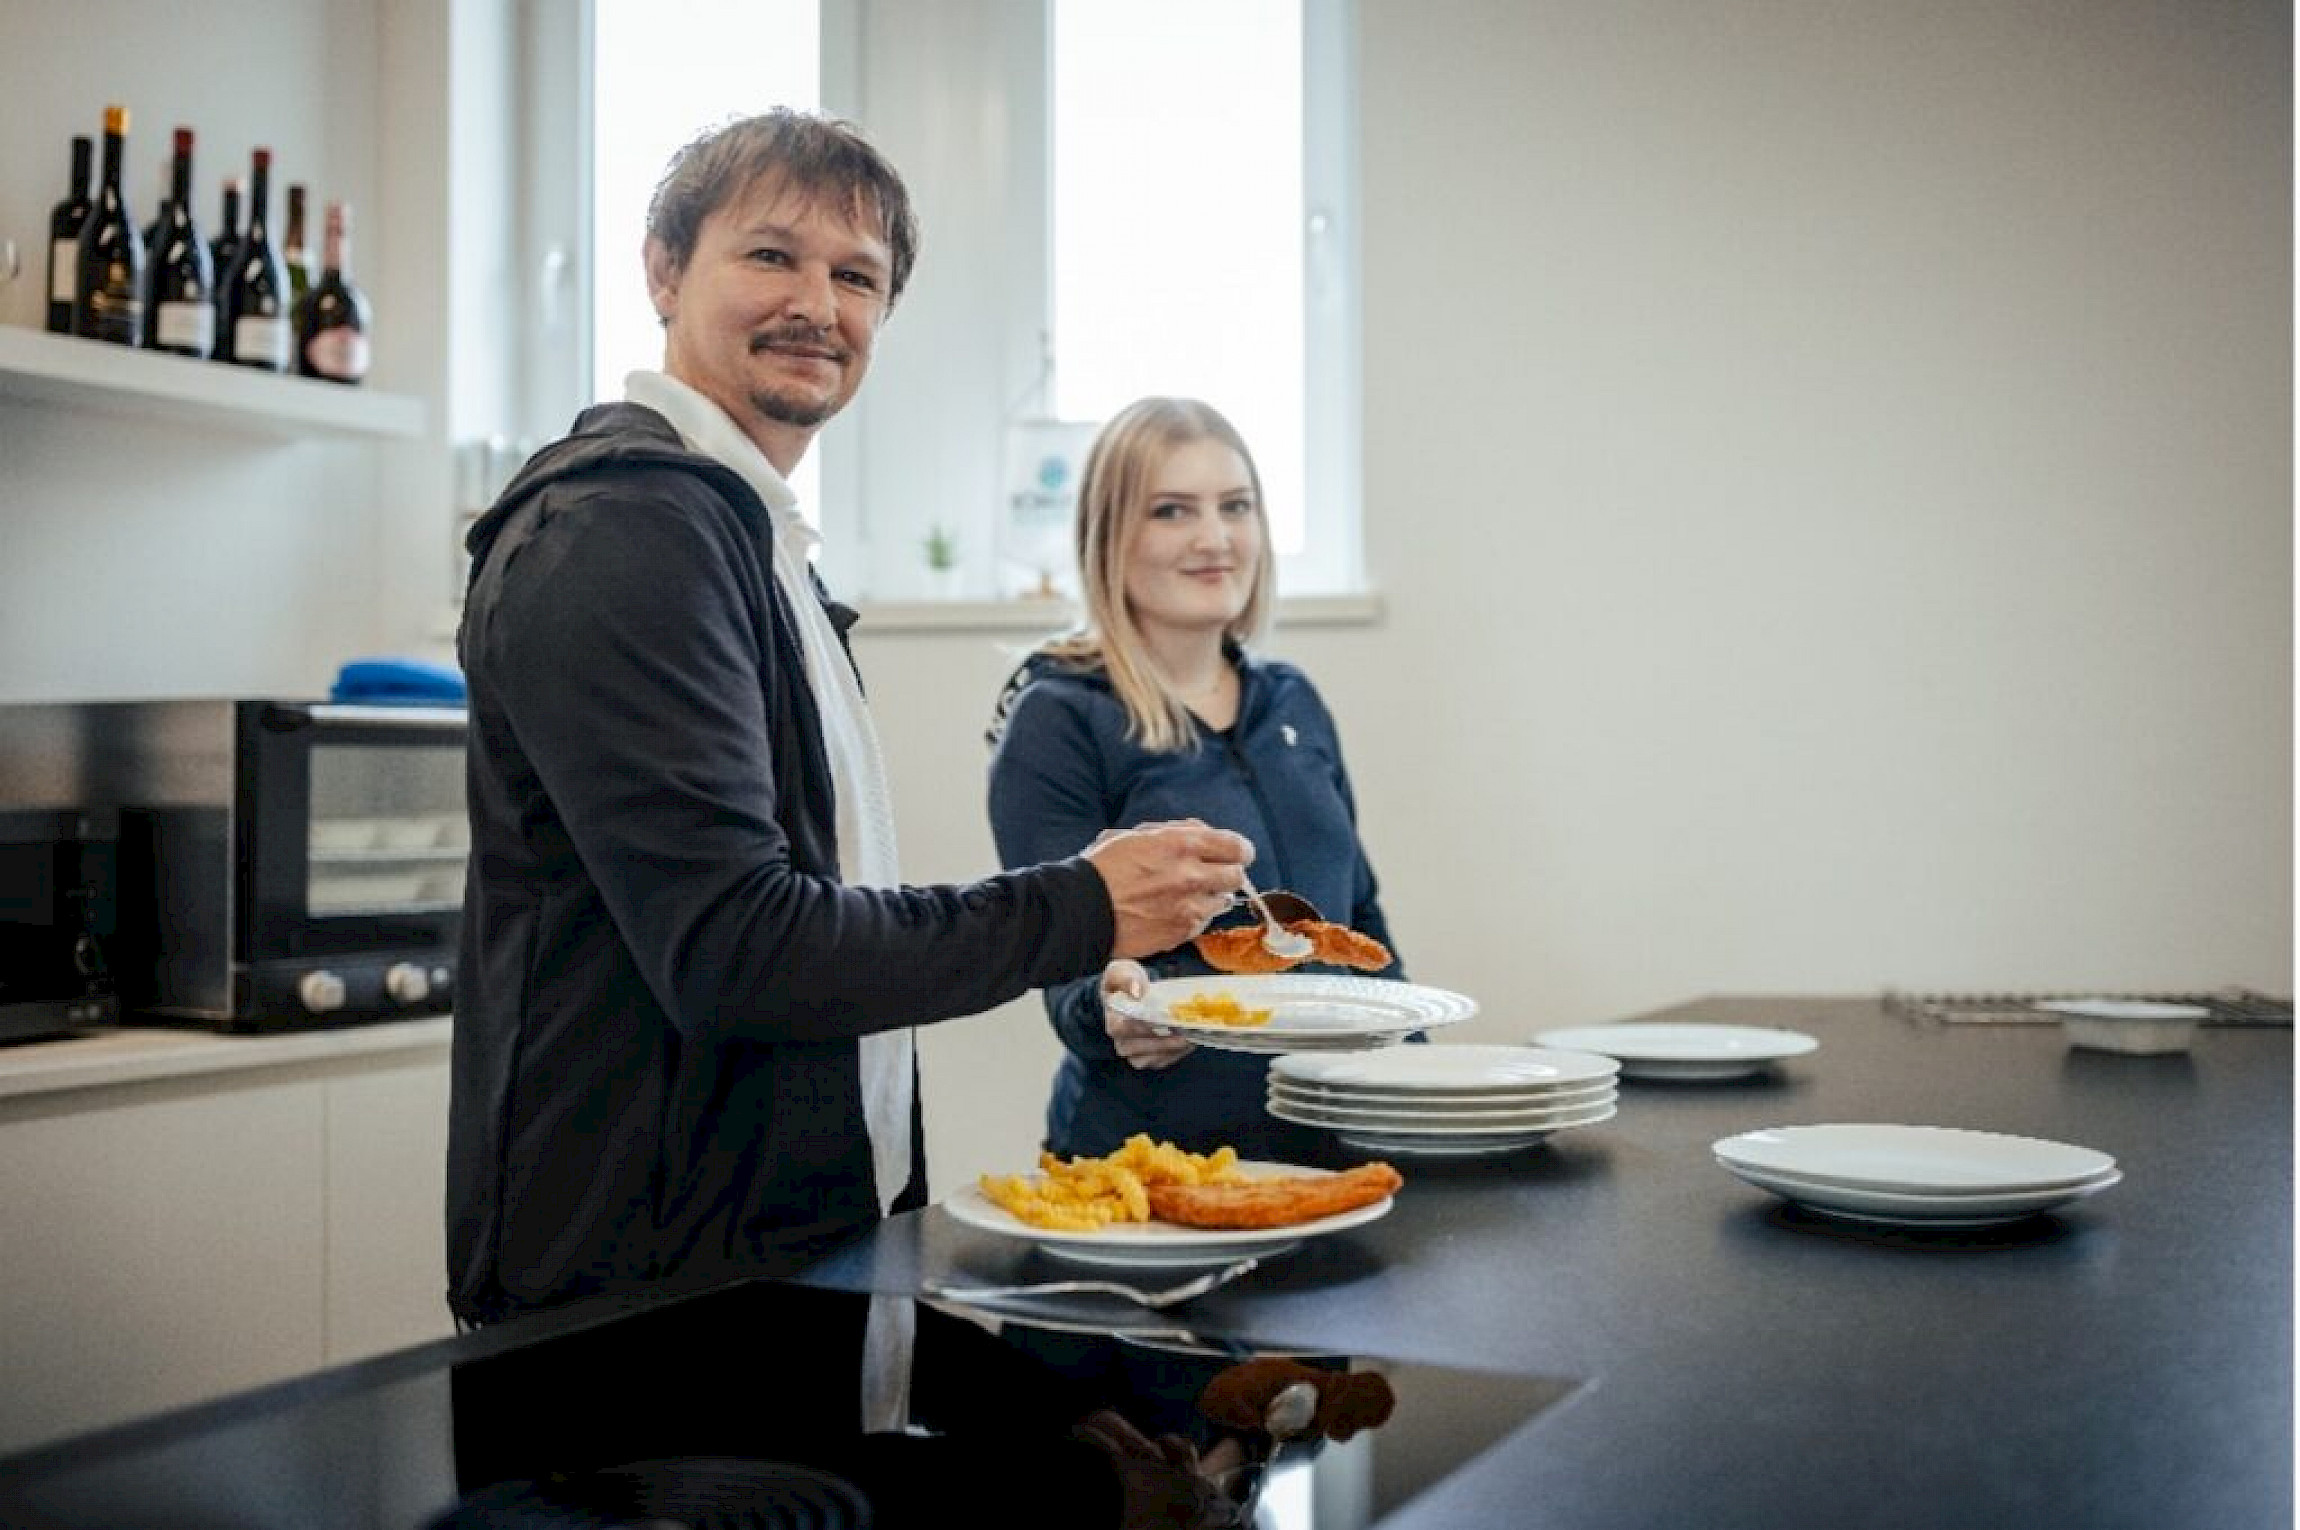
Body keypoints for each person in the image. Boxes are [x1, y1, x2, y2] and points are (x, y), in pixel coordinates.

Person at [449, 111, 1252, 1329]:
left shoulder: (751, 543)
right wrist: (1083, 906)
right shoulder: (624, 535)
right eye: (770, 256)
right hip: (640, 1302)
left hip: (785, 1261)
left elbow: (809, 937)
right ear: (663, 270)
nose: (817, 305)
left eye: (856, 277)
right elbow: (739, 951)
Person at [986, 397, 1404, 1164]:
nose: (1215, 539)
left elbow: (1363, 923)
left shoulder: (1295, 700)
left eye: (1235, 506)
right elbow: (1062, 972)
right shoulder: (1057, 718)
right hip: (1148, 1163)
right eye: (1173, 511)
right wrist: (1117, 1008)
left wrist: (1419, 1078)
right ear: (1110, 535)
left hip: (1331, 1152)